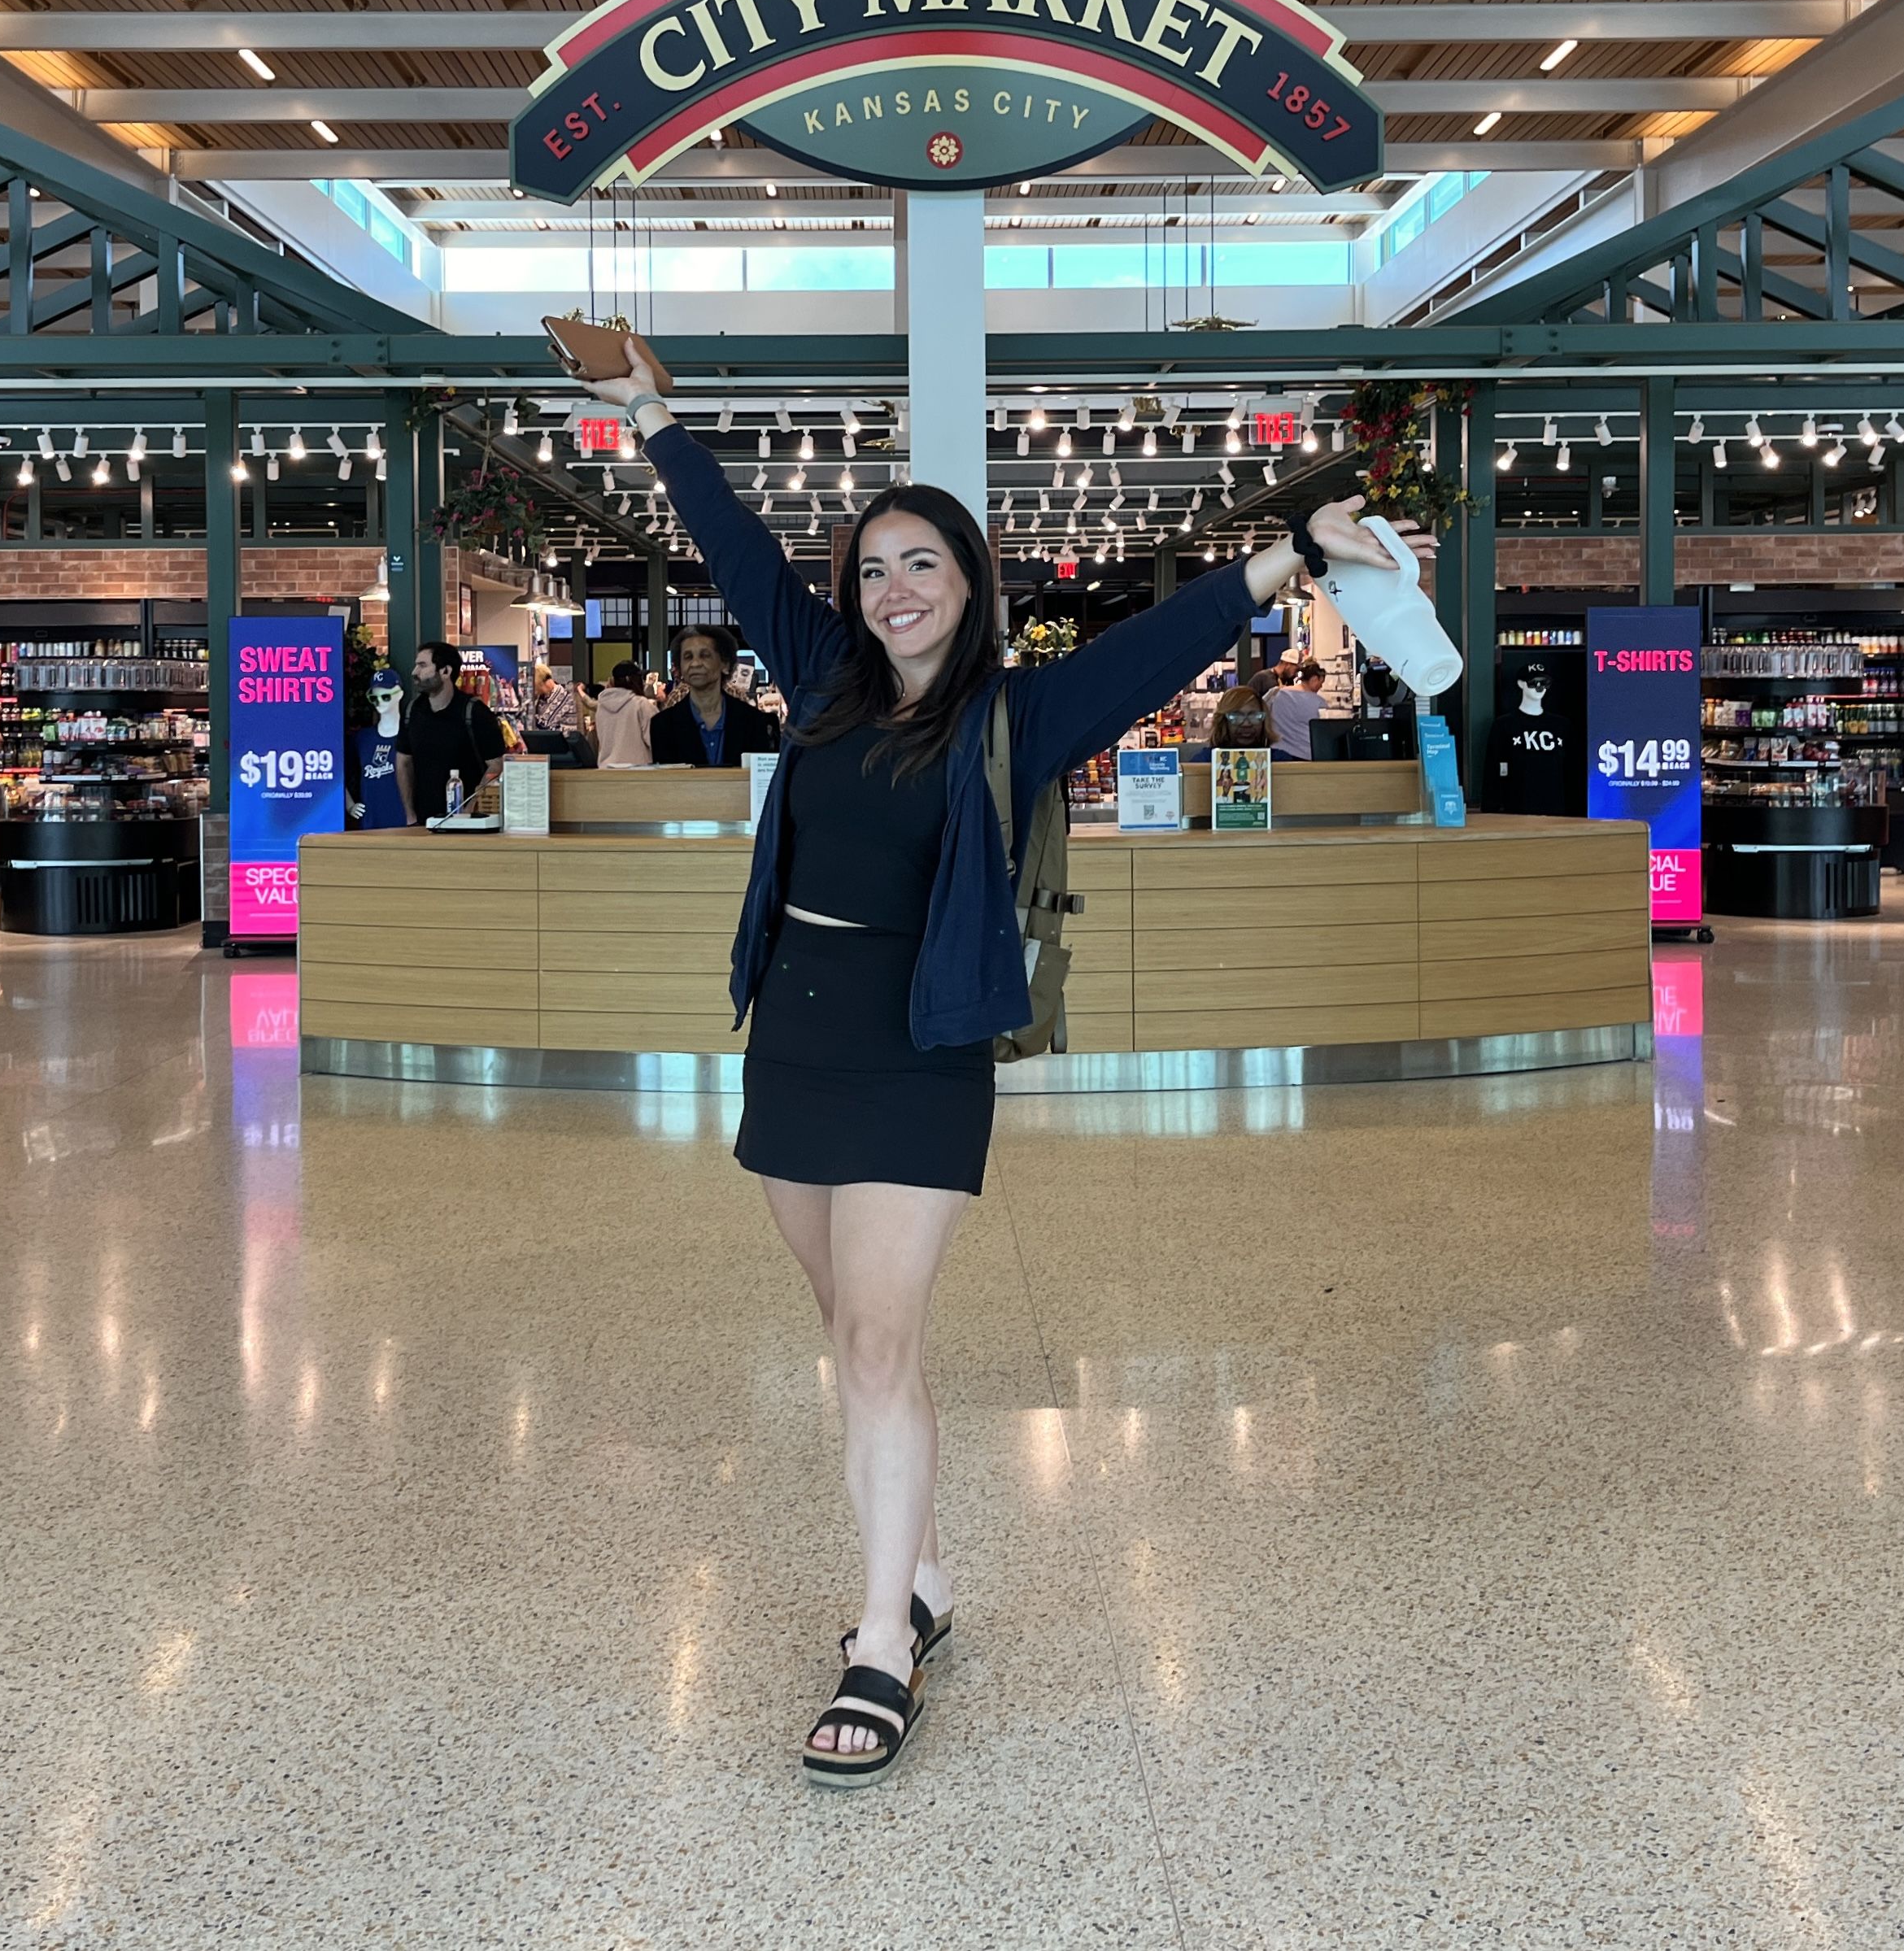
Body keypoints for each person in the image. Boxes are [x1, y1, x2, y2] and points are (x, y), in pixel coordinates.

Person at [575, 336, 1422, 1787]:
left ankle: (881, 1643)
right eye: (873, 568)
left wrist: (1294, 550)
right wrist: (651, 415)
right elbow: (731, 546)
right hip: (797, 1035)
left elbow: (1159, 645)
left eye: (922, 565)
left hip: (921, 1047)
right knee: (852, 1334)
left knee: (879, 1342)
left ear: (969, 586)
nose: (893, 589)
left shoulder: (1012, 716)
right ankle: (922, 1573)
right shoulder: (822, 677)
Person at [394, 641, 508, 821]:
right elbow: (403, 762)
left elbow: (496, 765)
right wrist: (410, 814)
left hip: (469, 822)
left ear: (446, 671)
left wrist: (472, 807)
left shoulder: (474, 712)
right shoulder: (412, 711)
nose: (415, 672)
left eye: (423, 665)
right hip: (423, 822)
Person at [651, 625, 783, 768]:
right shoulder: (663, 726)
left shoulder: (755, 722)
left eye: (705, 655)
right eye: (688, 657)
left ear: (725, 664)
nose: (695, 663)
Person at [516, 660, 591, 768]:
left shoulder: (563, 696)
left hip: (564, 750)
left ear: (544, 683)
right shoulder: (543, 698)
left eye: (538, 687)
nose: (537, 691)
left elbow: (545, 723)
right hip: (552, 750)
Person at [590, 660, 657, 768]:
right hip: (638, 770)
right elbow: (656, 741)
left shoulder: (602, 707)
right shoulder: (641, 704)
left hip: (606, 769)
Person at [1266, 661, 1328, 760]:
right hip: (1305, 754)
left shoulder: (1277, 694)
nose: (1320, 687)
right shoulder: (1319, 703)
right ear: (1314, 679)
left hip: (1277, 752)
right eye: (1321, 683)